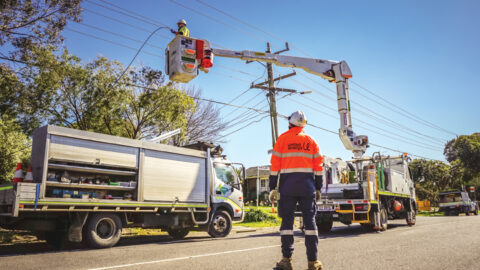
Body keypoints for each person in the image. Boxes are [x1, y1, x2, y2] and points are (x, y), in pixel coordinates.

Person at [269, 110, 324, 270]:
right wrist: (318, 187)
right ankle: (313, 262)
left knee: (287, 224)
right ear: (303, 124)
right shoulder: (311, 141)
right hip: (308, 188)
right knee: (310, 223)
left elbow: (274, 167)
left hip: (287, 188)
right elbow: (318, 167)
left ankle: (286, 260)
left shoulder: (282, 140)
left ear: (290, 123)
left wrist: (272, 187)